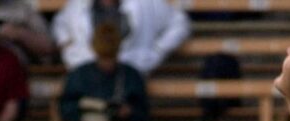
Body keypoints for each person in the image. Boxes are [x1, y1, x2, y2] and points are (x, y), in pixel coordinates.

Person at [51, 0, 189, 77]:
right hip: (87, 75)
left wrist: (159, 49)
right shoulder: (78, 4)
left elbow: (179, 22)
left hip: (133, 73)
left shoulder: (145, 3)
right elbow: (60, 24)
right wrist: (67, 47)